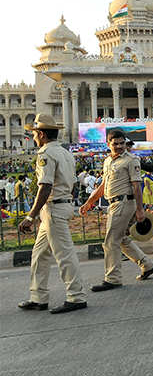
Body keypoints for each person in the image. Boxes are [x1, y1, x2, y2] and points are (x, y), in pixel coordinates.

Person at [18, 113, 87, 314]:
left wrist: (31, 216)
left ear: (41, 134)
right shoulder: (66, 153)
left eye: (34, 134)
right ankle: (38, 296)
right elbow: (73, 183)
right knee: (39, 254)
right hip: (61, 205)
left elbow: (45, 187)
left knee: (64, 254)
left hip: (53, 208)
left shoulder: (45, 154)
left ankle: (76, 296)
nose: (33, 138)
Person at [80, 129, 153, 291]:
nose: (119, 146)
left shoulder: (131, 160)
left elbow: (137, 186)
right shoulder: (108, 161)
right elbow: (103, 186)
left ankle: (113, 278)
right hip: (113, 203)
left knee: (110, 241)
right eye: (115, 143)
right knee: (121, 239)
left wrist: (140, 210)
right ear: (108, 144)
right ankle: (147, 264)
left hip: (124, 203)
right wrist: (89, 202)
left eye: (122, 143)